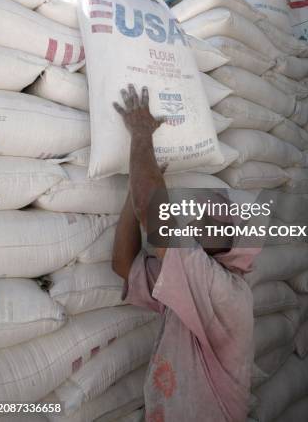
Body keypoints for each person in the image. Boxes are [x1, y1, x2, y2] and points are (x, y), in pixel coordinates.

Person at [112, 84, 258, 422]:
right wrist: (134, 192)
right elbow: (123, 265)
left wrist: (141, 134)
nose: (197, 223)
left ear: (235, 244)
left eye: (212, 222)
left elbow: (154, 211)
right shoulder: (190, 281)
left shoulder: (223, 292)